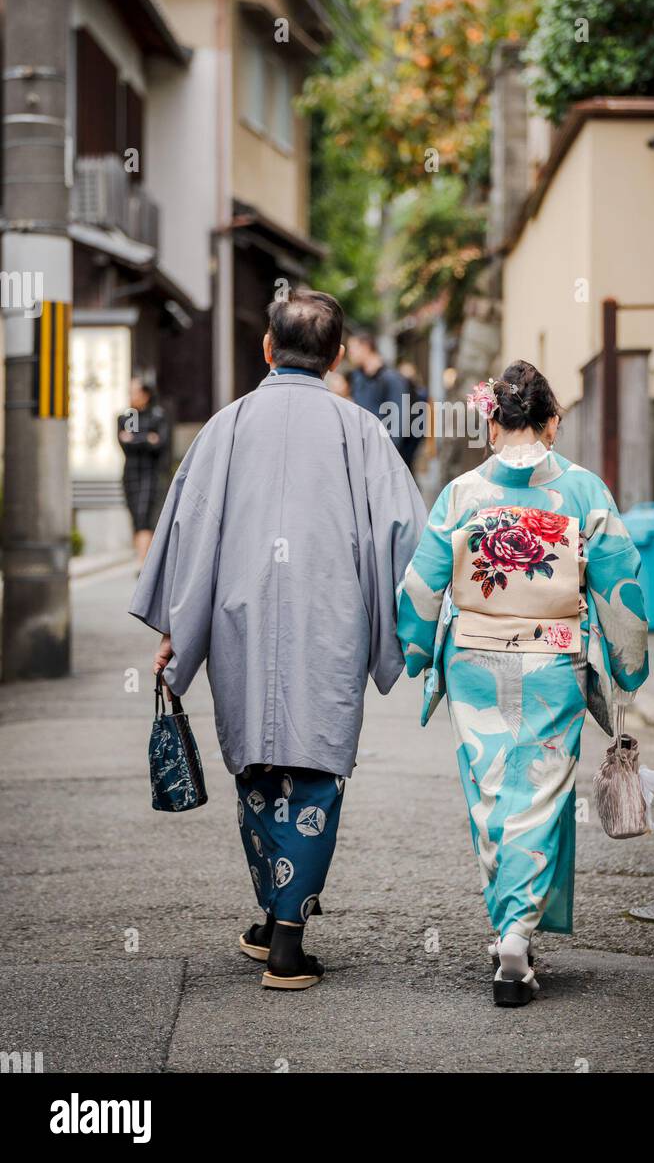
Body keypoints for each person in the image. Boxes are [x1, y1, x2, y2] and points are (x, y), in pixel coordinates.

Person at [130, 291, 426, 991]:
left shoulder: (224, 429)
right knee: (315, 768)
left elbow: (190, 532)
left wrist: (180, 628)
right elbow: (405, 539)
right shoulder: (362, 432)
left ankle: (277, 915)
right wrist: (418, 628)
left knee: (259, 763)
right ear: (334, 357)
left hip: (242, 619)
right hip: (331, 618)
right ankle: (285, 930)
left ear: (267, 349)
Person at [396, 360, 649, 1007]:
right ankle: (516, 931)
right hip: (553, 660)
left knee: (489, 792)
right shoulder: (585, 492)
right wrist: (628, 665)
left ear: (491, 422)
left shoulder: (461, 494)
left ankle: (509, 923)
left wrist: (418, 650)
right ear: (553, 423)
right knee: (538, 792)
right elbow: (622, 583)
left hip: (475, 659)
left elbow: (423, 585)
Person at [117, 377, 170, 566]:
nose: (132, 396)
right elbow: (126, 443)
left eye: (136, 392)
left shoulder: (157, 415)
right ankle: (145, 558)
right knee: (136, 515)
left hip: (151, 472)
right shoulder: (128, 416)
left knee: (145, 514)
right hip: (131, 472)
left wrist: (137, 439)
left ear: (146, 394)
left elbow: (160, 443)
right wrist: (147, 438)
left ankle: (144, 561)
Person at [346, 332, 414, 465]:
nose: (350, 354)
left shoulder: (392, 379)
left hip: (384, 457)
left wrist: (387, 456)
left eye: (352, 349)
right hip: (363, 453)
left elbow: (398, 421)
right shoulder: (357, 378)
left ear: (365, 347)